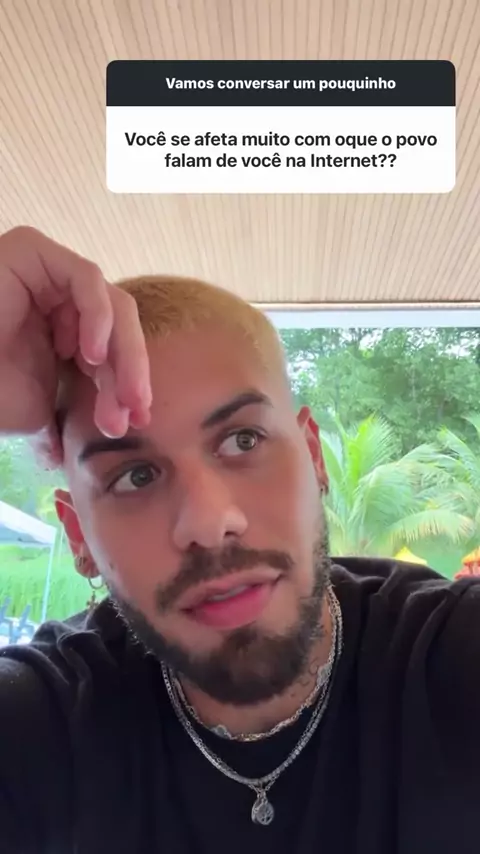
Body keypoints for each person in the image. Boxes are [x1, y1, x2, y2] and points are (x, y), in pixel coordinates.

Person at [0, 225, 479, 854]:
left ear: (313, 458)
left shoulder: (451, 656)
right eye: (135, 476)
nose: (208, 521)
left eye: (242, 440)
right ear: (78, 536)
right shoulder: (41, 723)